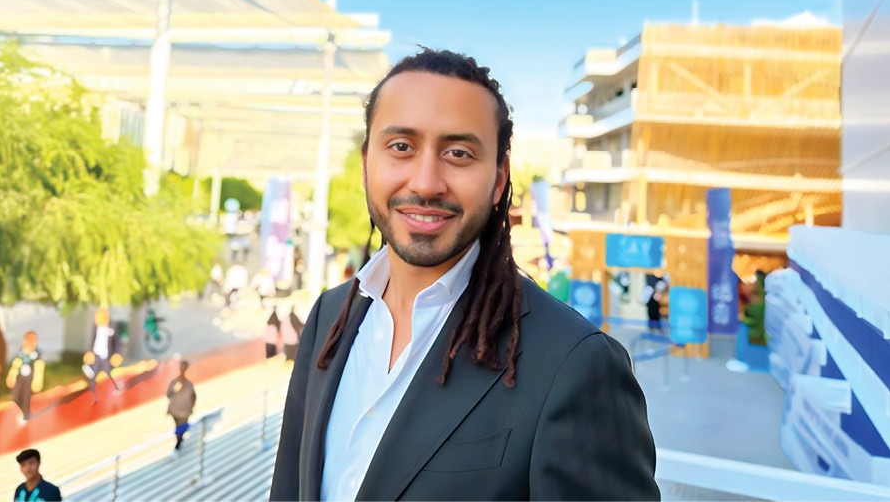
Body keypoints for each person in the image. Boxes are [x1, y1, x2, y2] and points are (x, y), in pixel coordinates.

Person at [270, 49, 658, 501]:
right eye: (401, 147)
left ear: (498, 180)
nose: (425, 182)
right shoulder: (328, 317)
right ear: (366, 164)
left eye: (458, 153)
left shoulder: (575, 364)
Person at [82, 306, 123, 401]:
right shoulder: (95, 326)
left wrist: (117, 353)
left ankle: (116, 387)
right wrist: (90, 352)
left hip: (105, 355)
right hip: (97, 354)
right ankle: (94, 395)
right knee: (94, 375)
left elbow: (117, 342)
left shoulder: (112, 326)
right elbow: (92, 339)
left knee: (108, 372)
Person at [6, 331, 45, 421]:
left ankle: (26, 415)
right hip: (20, 378)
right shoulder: (21, 352)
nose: (30, 343)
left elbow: (39, 368)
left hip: (29, 379)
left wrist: (37, 381)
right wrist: (11, 376)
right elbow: (15, 365)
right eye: (28, 340)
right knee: (15, 396)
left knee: (26, 397)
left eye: (33, 340)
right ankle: (22, 411)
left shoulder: (37, 354)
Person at [166, 361, 196, 451]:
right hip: (175, 410)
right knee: (178, 427)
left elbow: (193, 396)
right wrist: (175, 390)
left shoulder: (189, 384)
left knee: (181, 427)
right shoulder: (174, 382)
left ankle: (178, 445)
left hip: (185, 411)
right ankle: (178, 441)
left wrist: (191, 406)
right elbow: (168, 394)